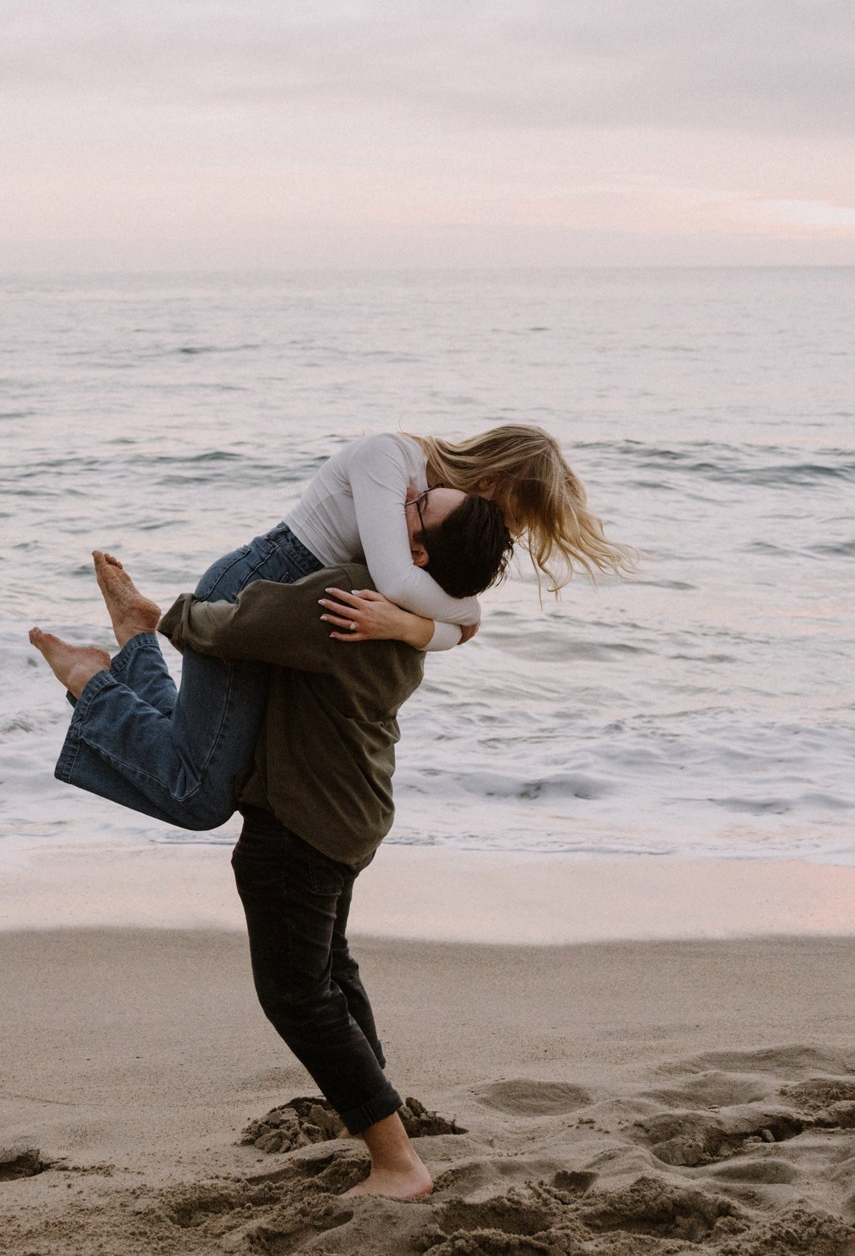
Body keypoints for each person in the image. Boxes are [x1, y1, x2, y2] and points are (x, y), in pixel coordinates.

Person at [26, 505, 514, 1201]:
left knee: (296, 992)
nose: (403, 498)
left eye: (417, 508)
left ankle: (397, 1160)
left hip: (302, 829)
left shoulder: (351, 597)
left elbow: (239, 623)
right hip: (352, 814)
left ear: (421, 553)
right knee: (327, 971)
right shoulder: (410, 618)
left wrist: (168, 618)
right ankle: (378, 1115)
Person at [46, 425, 627, 830]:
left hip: (293, 607)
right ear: (497, 485)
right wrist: (460, 616)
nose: (502, 536)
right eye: (513, 521)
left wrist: (420, 630)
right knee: (198, 795)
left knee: (199, 764)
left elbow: (429, 612)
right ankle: (93, 680)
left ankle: (138, 639)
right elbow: (400, 581)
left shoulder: (435, 515)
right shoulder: (391, 459)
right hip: (256, 589)